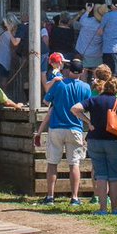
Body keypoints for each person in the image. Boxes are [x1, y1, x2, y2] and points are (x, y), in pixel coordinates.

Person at [35, 58, 92, 205]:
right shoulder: (86, 87)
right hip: (75, 127)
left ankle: (50, 197)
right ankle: (74, 197)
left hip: (57, 126)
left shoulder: (59, 84)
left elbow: (47, 102)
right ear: (82, 72)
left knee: (52, 163)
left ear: (68, 71)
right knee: (74, 164)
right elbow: (87, 107)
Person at [73, 68, 117, 215]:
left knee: (101, 175)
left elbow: (75, 109)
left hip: (95, 139)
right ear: (116, 89)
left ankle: (102, 209)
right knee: (114, 176)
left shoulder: (93, 100)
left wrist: (88, 122)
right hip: (114, 140)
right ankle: (115, 209)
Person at [74, 4, 106, 76]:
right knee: (96, 75)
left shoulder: (86, 21)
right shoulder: (104, 25)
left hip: (83, 51)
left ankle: (84, 87)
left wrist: (87, 11)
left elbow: (81, 20)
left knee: (83, 72)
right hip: (97, 53)